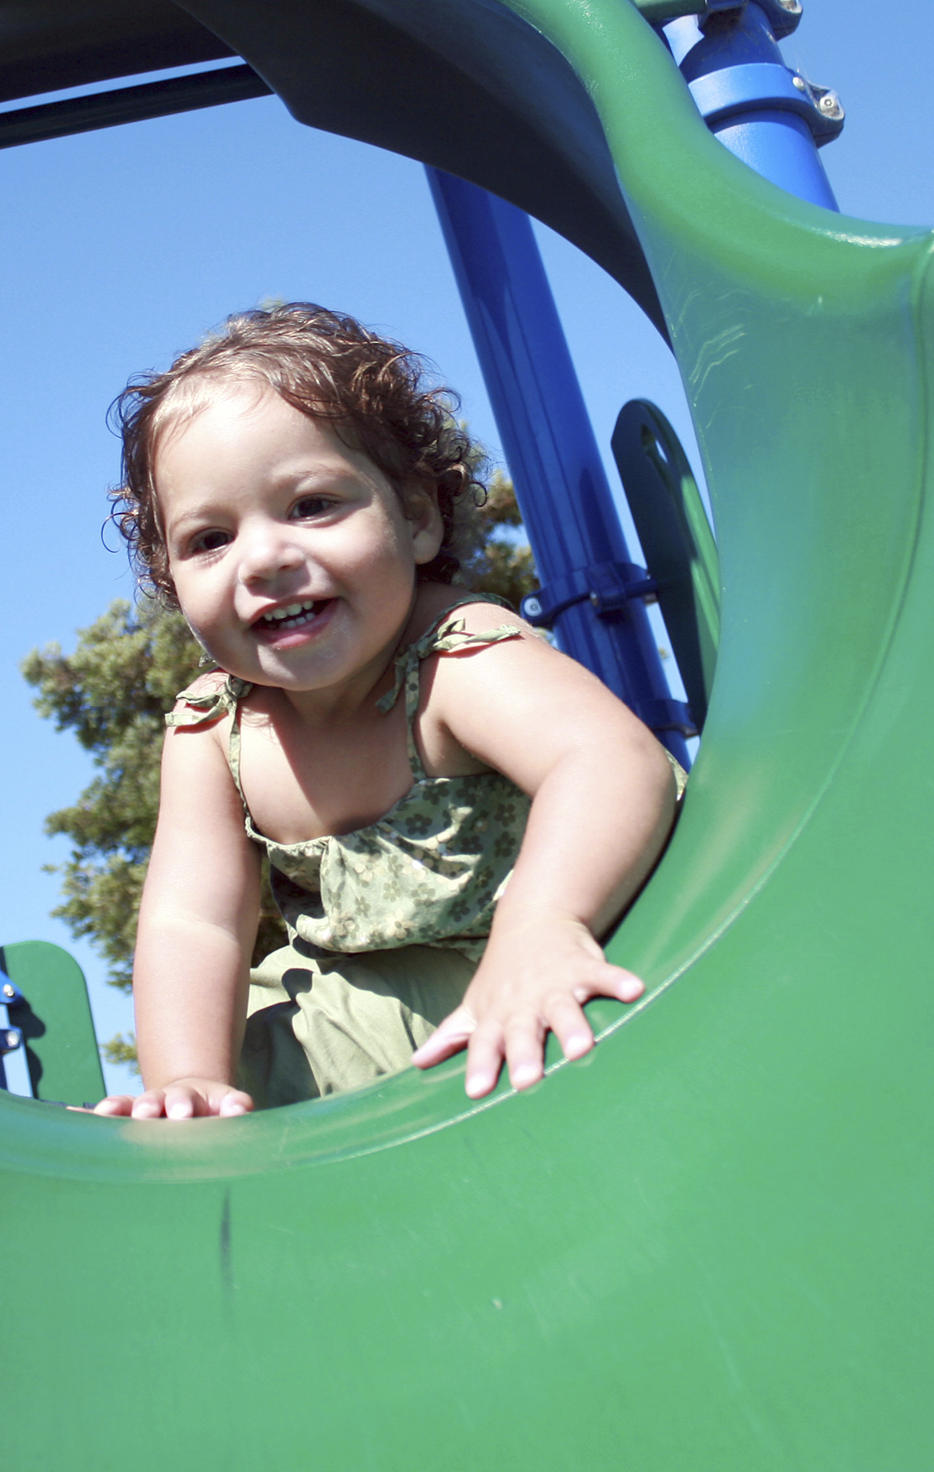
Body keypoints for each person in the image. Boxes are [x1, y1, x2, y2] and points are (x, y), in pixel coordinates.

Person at [88, 304, 684, 1120]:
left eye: (311, 505)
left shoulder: (453, 657)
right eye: (208, 540)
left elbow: (611, 761)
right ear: (169, 580)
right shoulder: (212, 730)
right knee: (221, 1106)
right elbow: (194, 921)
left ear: (414, 516)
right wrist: (187, 1078)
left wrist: (544, 923)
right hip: (349, 1028)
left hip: (552, 957)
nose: (264, 558)